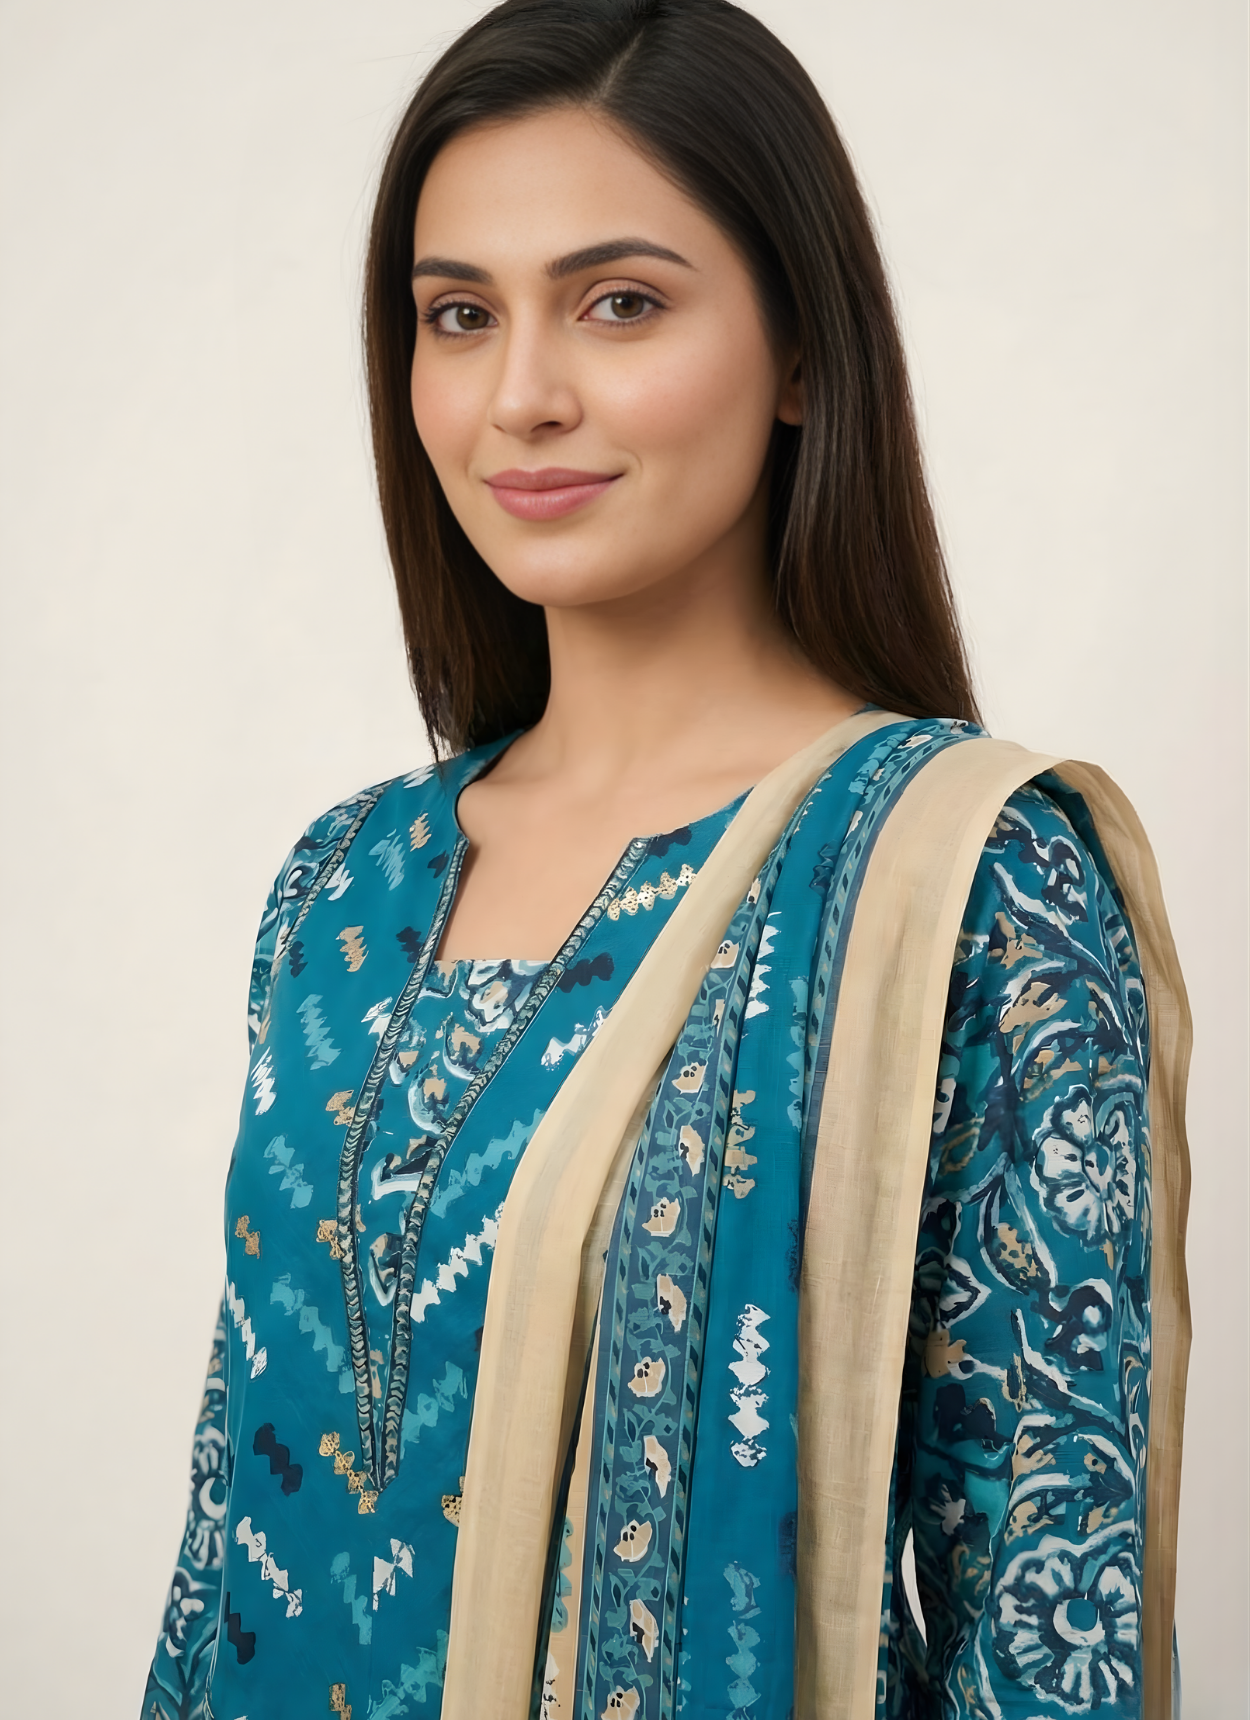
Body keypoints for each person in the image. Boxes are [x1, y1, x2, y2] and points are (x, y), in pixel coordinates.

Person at [142, 2, 1191, 1716]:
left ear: (797, 351)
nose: (521, 395)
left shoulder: (964, 882)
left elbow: (1042, 1619)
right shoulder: (337, 888)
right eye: (456, 316)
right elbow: (225, 1542)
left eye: (617, 303)